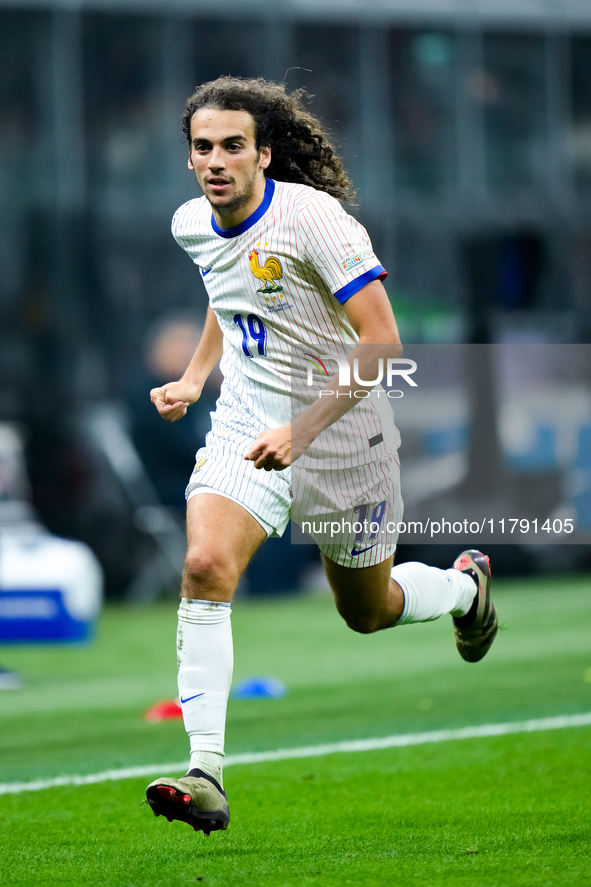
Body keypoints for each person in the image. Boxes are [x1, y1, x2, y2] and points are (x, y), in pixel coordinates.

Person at [145, 76, 498, 835]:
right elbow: (225, 285)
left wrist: (302, 430)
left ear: (263, 154)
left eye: (232, 145)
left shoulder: (315, 222)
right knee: (205, 566)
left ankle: (465, 591)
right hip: (247, 422)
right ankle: (205, 768)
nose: (215, 160)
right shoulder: (190, 223)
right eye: (201, 147)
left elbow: (382, 343)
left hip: (344, 437)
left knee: (366, 612)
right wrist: (194, 377)